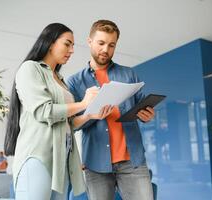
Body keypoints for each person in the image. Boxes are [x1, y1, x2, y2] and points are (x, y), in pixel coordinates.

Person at [3, 23, 104, 200]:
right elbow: (44, 111)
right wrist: (83, 103)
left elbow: (68, 122)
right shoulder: (30, 68)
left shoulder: (59, 79)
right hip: (38, 157)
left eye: (72, 46)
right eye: (67, 44)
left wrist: (89, 114)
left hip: (61, 160)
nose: (71, 50)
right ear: (50, 43)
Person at [66, 20, 155, 200]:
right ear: (89, 41)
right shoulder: (74, 82)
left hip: (133, 161)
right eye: (101, 43)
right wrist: (89, 112)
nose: (106, 49)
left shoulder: (129, 74)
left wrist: (147, 115)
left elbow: (140, 106)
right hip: (96, 163)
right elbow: (71, 125)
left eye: (111, 45)